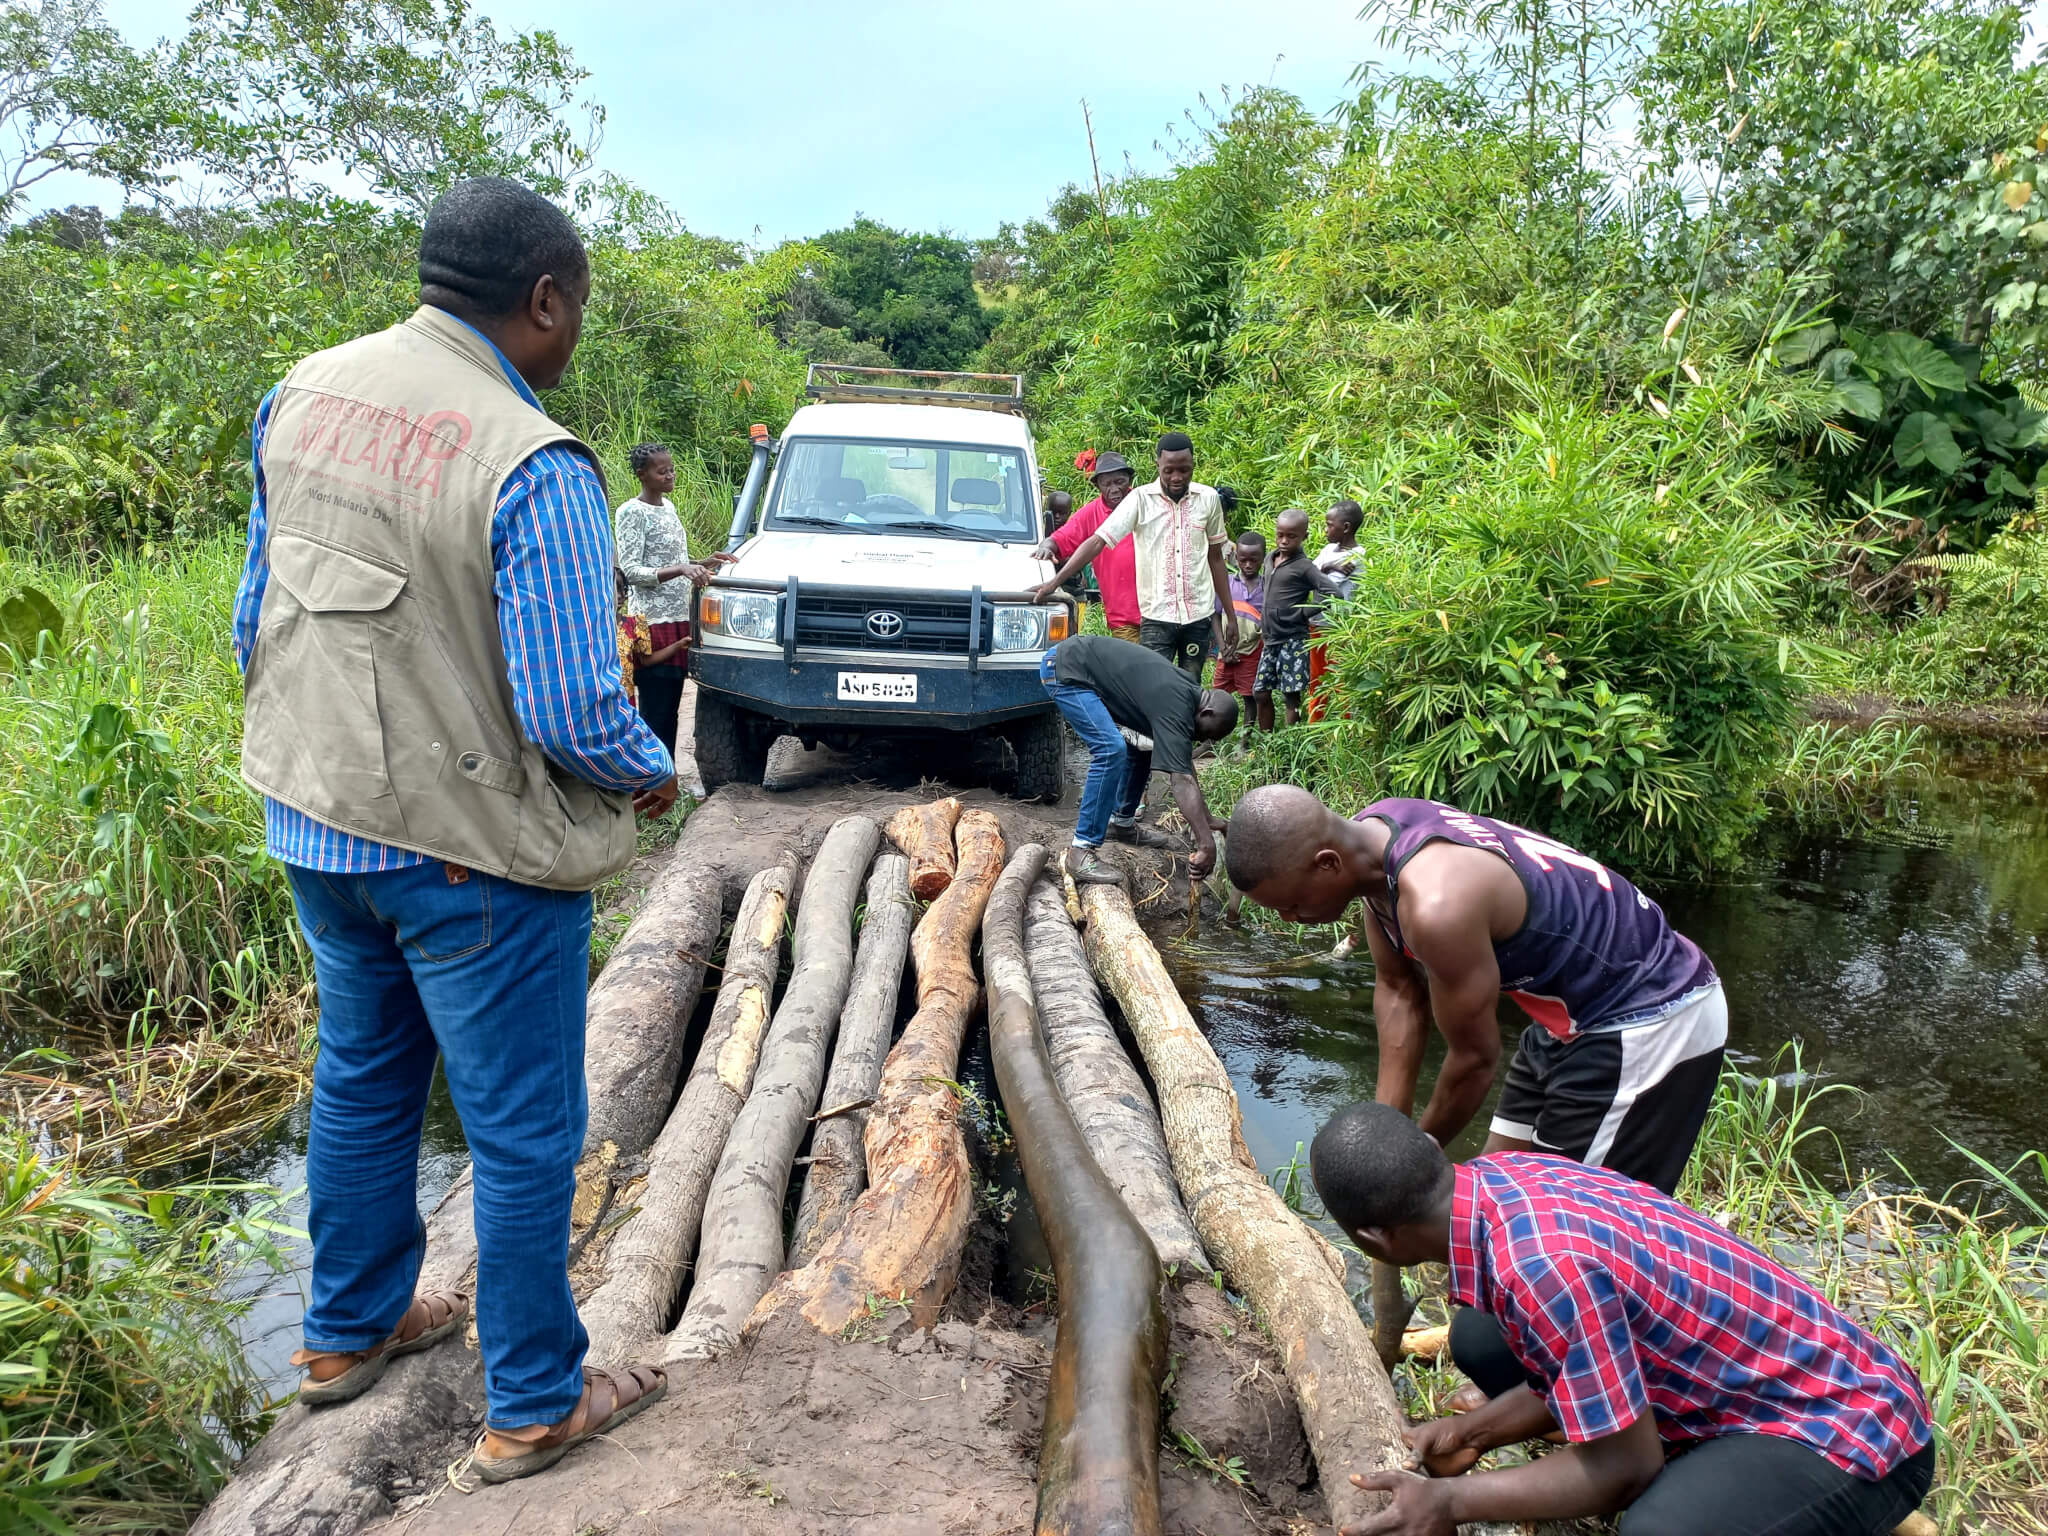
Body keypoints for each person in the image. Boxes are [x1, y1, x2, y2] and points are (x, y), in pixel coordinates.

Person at [234, 177, 675, 1484]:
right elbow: (569, 709)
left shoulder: (301, 392)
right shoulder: (530, 459)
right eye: (576, 309)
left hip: (319, 827)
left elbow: (257, 615)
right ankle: (536, 1399)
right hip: (466, 860)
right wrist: (648, 771)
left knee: (363, 1077)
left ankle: (345, 1334)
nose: (574, 331)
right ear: (545, 301)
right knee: (527, 1129)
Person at [1311, 1103, 1935, 1536]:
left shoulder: (1536, 1269)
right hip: (1764, 1382)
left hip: (1854, 1432)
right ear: (1432, 1149)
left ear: (1374, 1238)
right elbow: (1591, 1357)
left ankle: (1843, 1510)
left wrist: (1448, 1502)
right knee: (1482, 1337)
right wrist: (1475, 1433)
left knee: (1662, 1528)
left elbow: (1626, 1467)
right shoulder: (1504, 1177)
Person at [1225, 786, 1727, 1192]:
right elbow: (1398, 989)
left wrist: (1405, 1165)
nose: (1292, 918)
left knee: (1574, 1229)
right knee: (1495, 1197)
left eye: (1290, 904)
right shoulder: (1376, 835)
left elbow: (1474, 1060)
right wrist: (1385, 1130)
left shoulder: (1438, 904)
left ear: (1328, 863)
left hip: (1649, 1016)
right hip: (1564, 1017)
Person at [1033, 432, 1239, 678]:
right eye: (1169, 470)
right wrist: (1054, 582)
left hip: (1197, 614)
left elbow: (1215, 558)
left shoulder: (1207, 500)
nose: (1177, 477)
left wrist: (1230, 614)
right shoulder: (1139, 500)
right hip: (1152, 615)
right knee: (1150, 686)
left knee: (1191, 685)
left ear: (1193, 464)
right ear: (1158, 466)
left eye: (1184, 470)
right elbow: (1095, 541)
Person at [1039, 635, 1238, 885]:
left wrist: (1206, 821)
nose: (1199, 739)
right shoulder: (1176, 703)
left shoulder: (1187, 697)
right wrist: (1206, 844)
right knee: (1111, 749)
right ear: (1207, 713)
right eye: (1207, 733)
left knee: (1144, 745)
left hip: (1079, 666)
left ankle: (1121, 822)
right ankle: (1081, 850)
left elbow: (1183, 766)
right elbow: (1181, 781)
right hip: (1066, 670)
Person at [614, 441, 730, 759]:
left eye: (671, 469)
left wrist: (701, 562)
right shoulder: (631, 512)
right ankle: (653, 780)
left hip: (679, 616)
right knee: (657, 709)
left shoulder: (669, 508)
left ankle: (665, 779)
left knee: (672, 707)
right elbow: (632, 570)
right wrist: (681, 568)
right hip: (653, 623)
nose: (670, 475)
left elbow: (674, 560)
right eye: (661, 471)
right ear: (642, 475)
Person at [1254, 509, 1349, 729]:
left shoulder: (1304, 567)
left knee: (1291, 695)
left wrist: (1302, 613)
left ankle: (1293, 743)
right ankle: (1267, 743)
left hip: (1293, 639)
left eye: (1292, 536)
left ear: (1304, 536)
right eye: (1280, 535)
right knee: (1260, 692)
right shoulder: (1270, 558)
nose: (1284, 541)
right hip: (1270, 639)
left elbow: (1334, 593)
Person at [1036, 450, 1142, 640]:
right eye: (1107, 484)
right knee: (1134, 667)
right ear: (1098, 486)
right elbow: (1062, 537)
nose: (1114, 489)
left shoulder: (1146, 503)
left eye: (1120, 482)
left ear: (1130, 480)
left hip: (1157, 613)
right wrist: (1047, 546)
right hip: (1122, 615)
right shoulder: (1092, 512)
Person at [1306, 499, 1362, 724]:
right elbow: (1307, 573)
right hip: (1317, 623)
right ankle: (1314, 725)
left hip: (1339, 628)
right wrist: (1330, 567)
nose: (1326, 530)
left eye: (1330, 525)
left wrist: (1323, 569)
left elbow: (1323, 584)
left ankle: (1346, 726)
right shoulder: (1330, 550)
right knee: (1316, 678)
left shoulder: (1357, 555)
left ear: (1346, 527)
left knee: (1340, 678)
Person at [615, 569, 687, 707]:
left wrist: (679, 645)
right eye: (613, 590)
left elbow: (646, 660)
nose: (619, 596)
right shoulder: (590, 628)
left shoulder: (634, 624)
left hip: (625, 703)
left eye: (622, 589)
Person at [1214, 530, 1265, 703]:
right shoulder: (1227, 583)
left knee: (1250, 697)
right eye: (1243, 560)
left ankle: (1248, 730)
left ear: (1263, 558)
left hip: (1252, 654)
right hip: (1226, 653)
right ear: (1236, 557)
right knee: (1218, 696)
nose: (1248, 565)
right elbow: (1215, 615)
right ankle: (1218, 730)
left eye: (1254, 560)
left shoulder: (1267, 587)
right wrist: (1222, 648)